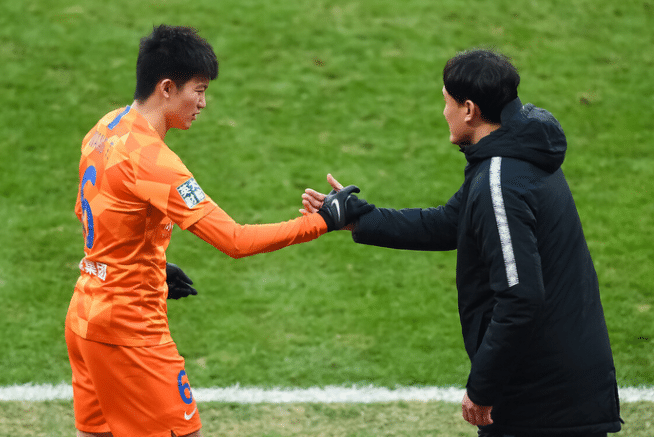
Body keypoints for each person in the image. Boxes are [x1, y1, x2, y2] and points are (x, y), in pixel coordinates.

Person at [65, 24, 372, 437]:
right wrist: (323, 220)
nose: (203, 103)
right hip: (130, 332)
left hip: (85, 316)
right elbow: (234, 240)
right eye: (199, 90)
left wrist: (149, 265)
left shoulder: (105, 129)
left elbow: (94, 215)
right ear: (167, 87)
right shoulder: (153, 161)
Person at [302, 49, 623, 436]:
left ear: (469, 109)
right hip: (559, 387)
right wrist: (357, 217)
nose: (444, 113)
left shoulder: (500, 181)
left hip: (542, 402)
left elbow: (520, 297)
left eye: (447, 103)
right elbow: (450, 223)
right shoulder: (513, 155)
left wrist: (483, 388)